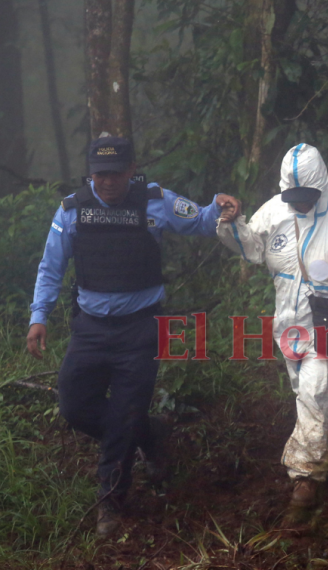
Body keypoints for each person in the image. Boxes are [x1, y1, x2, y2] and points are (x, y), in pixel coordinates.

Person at [26, 136, 239, 536]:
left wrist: (221, 207)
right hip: (89, 328)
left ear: (130, 170)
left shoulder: (154, 200)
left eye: (115, 174)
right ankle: (149, 431)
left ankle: (111, 501)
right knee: (74, 405)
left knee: (124, 412)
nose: (107, 182)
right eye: (99, 174)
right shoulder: (72, 211)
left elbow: (200, 220)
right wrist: (40, 317)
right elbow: (50, 267)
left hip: (141, 329)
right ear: (90, 174)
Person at [217, 143, 328, 511]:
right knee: (307, 392)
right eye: (293, 197)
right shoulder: (275, 210)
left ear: (322, 185)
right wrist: (232, 222)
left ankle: (304, 480)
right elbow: (251, 249)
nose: (300, 203)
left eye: (307, 197)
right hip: (287, 319)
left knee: (316, 393)